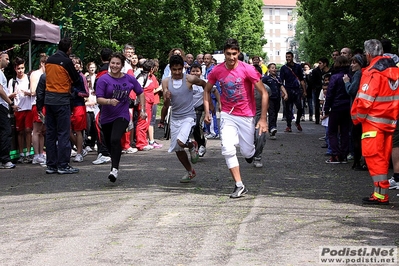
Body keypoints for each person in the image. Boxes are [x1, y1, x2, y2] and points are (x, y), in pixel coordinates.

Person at [204, 38, 269, 198]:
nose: (231, 57)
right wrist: (207, 111)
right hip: (227, 114)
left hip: (246, 115)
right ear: (224, 54)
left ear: (238, 53)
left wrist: (263, 119)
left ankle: (255, 146)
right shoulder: (217, 71)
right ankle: (239, 185)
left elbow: (264, 93)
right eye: (228, 54)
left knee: (247, 153)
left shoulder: (248, 69)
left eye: (234, 54)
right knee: (227, 148)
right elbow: (207, 90)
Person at [351, 39, 399, 205]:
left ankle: (380, 195)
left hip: (373, 123)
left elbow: (364, 100)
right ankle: (380, 194)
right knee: (383, 159)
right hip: (389, 121)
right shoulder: (393, 70)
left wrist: (357, 118)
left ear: (369, 54)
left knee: (374, 158)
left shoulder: (372, 72)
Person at [96, 52, 145, 182]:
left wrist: (143, 110)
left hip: (122, 114)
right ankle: (115, 162)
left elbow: (140, 92)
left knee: (115, 139)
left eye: (118, 63)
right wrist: (109, 101)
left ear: (122, 65)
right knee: (109, 142)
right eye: (113, 63)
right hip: (106, 116)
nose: (115, 66)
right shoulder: (103, 79)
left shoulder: (129, 79)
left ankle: (114, 169)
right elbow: (99, 99)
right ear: (109, 64)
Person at [162, 55, 206, 183]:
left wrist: (207, 102)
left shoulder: (189, 79)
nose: (177, 72)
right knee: (178, 148)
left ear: (183, 68)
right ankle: (190, 171)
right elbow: (166, 104)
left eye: (179, 69)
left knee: (181, 142)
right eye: (174, 69)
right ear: (170, 69)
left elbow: (204, 84)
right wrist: (166, 96)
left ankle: (193, 145)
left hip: (188, 116)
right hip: (175, 118)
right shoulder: (166, 81)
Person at [44, 37, 82, 174]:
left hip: (49, 99)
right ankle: (63, 164)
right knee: (63, 133)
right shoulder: (66, 62)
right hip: (62, 99)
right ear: (69, 48)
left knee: (50, 133)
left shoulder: (49, 60)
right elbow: (76, 79)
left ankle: (51, 165)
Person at [323, 56, 351, 164]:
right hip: (347, 106)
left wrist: (326, 108)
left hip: (336, 106)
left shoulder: (334, 77)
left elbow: (330, 94)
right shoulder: (350, 76)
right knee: (345, 131)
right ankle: (344, 154)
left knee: (332, 131)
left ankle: (335, 154)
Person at [343, 54, 367, 170]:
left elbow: (351, 90)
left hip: (357, 109)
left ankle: (358, 161)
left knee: (356, 135)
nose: (351, 65)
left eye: (354, 62)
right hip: (363, 109)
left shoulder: (358, 74)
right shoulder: (366, 73)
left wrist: (346, 82)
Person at [9, 57, 33, 164]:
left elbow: (33, 92)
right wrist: (12, 95)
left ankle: (28, 153)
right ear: (15, 69)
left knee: (28, 131)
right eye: (18, 68)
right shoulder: (12, 81)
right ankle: (21, 154)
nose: (21, 70)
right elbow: (8, 96)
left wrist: (28, 93)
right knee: (20, 132)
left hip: (28, 108)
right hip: (18, 109)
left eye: (22, 68)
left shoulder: (29, 79)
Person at [135, 59, 160, 151]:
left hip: (149, 103)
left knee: (146, 122)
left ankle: (144, 141)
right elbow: (138, 91)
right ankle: (140, 143)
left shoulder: (149, 77)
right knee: (142, 122)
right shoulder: (142, 77)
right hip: (144, 104)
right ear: (151, 69)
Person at [0, 52, 18, 169]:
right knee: (5, 131)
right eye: (6, 58)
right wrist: (10, 102)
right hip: (1, 106)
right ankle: (4, 159)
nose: (8, 61)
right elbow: (0, 90)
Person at [280, 51, 306, 132]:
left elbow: (301, 79)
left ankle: (297, 122)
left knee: (300, 108)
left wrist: (304, 90)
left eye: (289, 57)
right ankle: (288, 126)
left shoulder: (298, 67)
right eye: (286, 57)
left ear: (292, 57)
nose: (288, 58)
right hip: (288, 90)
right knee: (288, 109)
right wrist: (283, 92)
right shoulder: (283, 68)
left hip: (297, 90)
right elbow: (281, 81)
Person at [70, 57, 90, 162]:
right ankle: (80, 149)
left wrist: (76, 92)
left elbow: (87, 93)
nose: (76, 65)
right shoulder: (67, 76)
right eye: (74, 63)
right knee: (67, 130)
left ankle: (79, 153)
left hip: (79, 105)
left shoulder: (81, 77)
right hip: (68, 106)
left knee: (78, 130)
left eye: (78, 63)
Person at [29, 53, 48, 165]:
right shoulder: (35, 74)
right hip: (37, 104)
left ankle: (41, 153)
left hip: (45, 104)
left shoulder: (47, 74)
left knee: (42, 131)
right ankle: (36, 155)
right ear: (42, 64)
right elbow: (32, 90)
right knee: (36, 130)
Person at [262, 63, 288, 140]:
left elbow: (281, 86)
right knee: (271, 113)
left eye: (275, 68)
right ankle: (272, 128)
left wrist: (285, 94)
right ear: (269, 69)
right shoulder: (266, 78)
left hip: (277, 98)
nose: (274, 69)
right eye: (272, 68)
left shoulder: (278, 78)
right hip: (269, 99)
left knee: (275, 113)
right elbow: (261, 86)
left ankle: (273, 129)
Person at [190, 63, 208, 157]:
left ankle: (202, 144)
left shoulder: (204, 82)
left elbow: (214, 91)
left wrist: (213, 106)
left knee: (197, 125)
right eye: (193, 71)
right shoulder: (187, 82)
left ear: (201, 72)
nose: (195, 73)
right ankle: (196, 143)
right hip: (189, 109)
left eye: (197, 71)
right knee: (191, 128)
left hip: (200, 108)